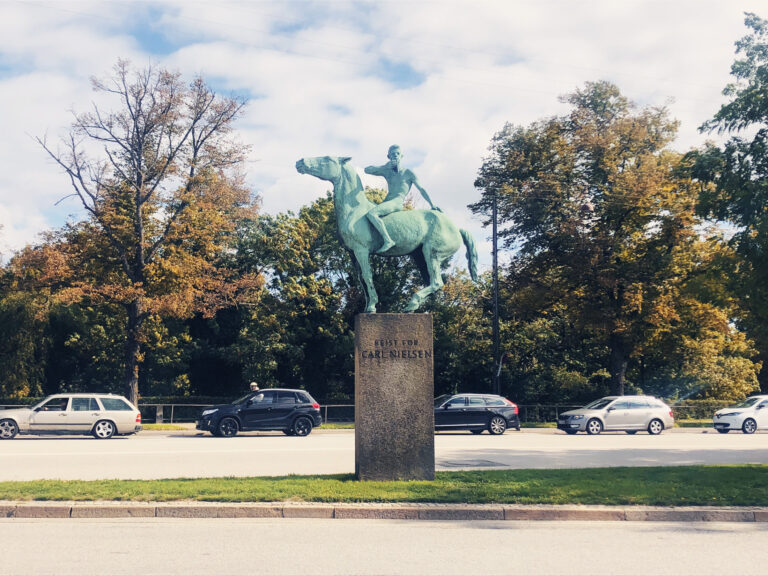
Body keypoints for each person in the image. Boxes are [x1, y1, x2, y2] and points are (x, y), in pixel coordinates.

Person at [364, 145, 440, 253]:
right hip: (386, 201)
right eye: (392, 154)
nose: (395, 156)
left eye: (397, 154)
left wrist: (432, 205)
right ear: (388, 156)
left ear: (401, 156)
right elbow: (367, 170)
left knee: (371, 214)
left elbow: (421, 189)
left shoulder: (408, 173)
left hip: (396, 202)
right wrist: (384, 167)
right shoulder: (387, 170)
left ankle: (388, 240)